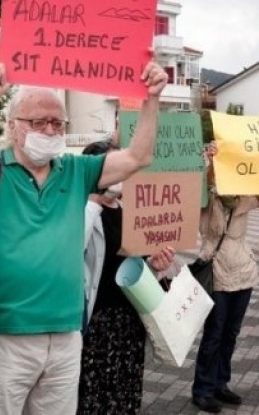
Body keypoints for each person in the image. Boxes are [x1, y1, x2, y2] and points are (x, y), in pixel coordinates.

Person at [0, 56, 167, 414]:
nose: (49, 131)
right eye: (37, 122)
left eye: (57, 123)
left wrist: (152, 99)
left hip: (65, 335)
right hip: (5, 337)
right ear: (13, 126)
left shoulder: (76, 170)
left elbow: (138, 157)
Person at [79, 140, 175, 414]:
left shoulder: (131, 209)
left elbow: (138, 264)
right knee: (93, 393)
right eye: (112, 166)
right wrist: (94, 200)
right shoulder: (81, 210)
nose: (120, 173)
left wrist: (156, 266)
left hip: (128, 319)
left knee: (126, 390)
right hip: (95, 321)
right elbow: (71, 251)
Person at [192, 141, 259, 414]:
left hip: (243, 270)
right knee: (214, 333)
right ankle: (202, 390)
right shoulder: (208, 197)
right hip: (216, 269)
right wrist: (212, 163)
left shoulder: (245, 196)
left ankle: (221, 383)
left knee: (231, 333)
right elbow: (200, 187)